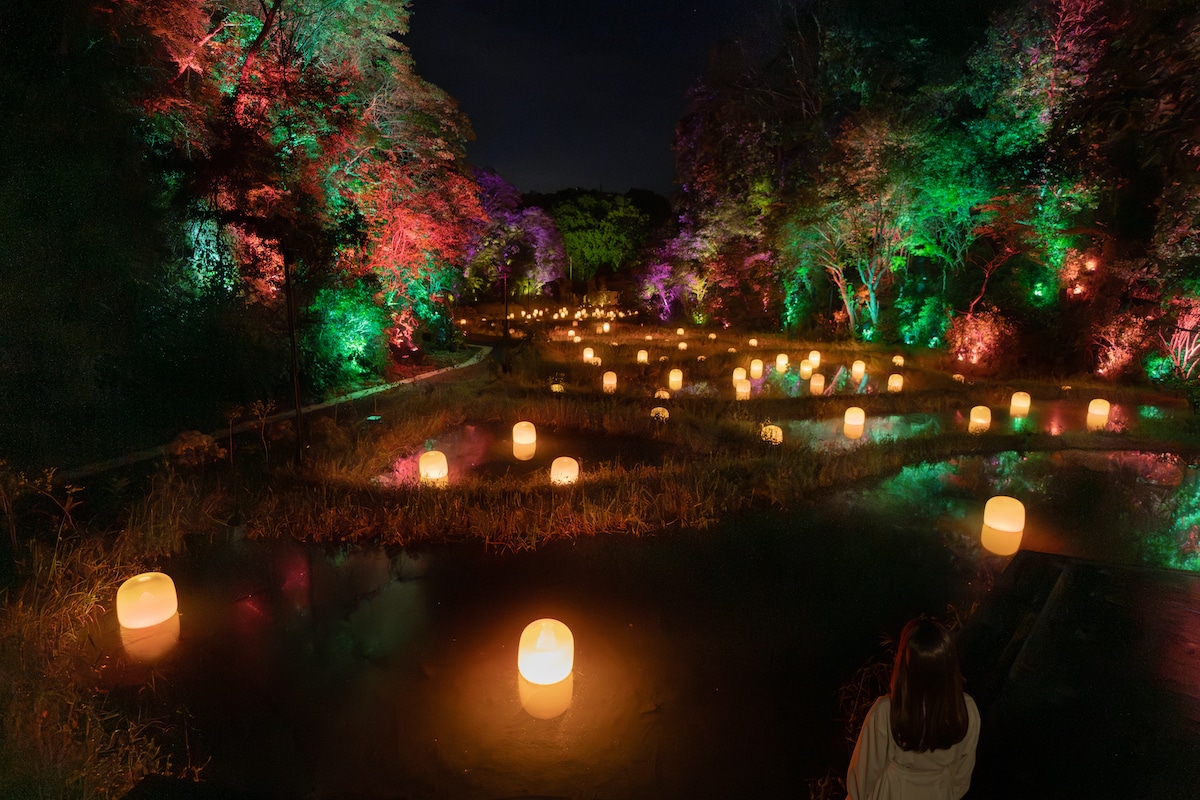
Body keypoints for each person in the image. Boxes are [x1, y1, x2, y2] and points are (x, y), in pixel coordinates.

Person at [846, 617, 981, 800]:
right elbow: (961, 778)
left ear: (903, 664)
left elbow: (861, 777)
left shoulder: (886, 711)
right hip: (940, 792)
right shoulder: (966, 710)